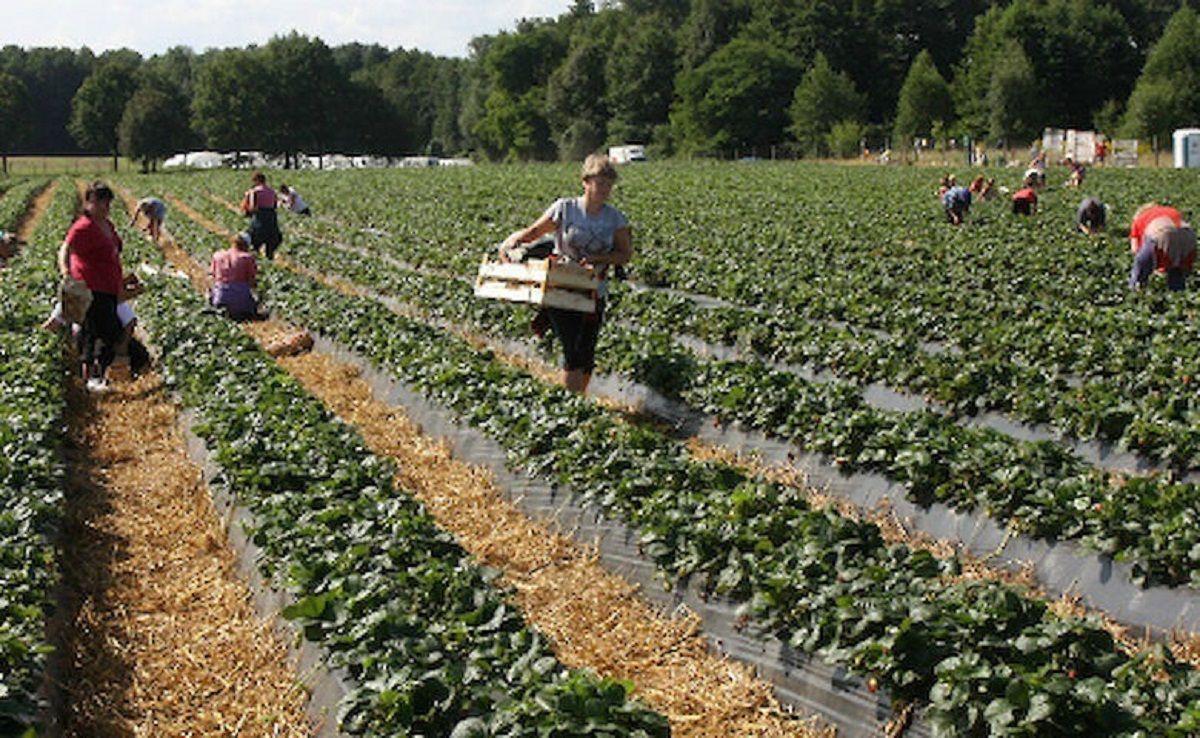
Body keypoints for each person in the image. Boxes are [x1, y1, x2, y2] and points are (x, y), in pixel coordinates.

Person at [499, 153, 632, 394]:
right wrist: (512, 243)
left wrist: (598, 259)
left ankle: (579, 399)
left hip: (593, 289)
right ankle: (571, 402)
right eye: (600, 183)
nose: (605, 189)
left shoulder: (615, 219)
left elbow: (624, 254)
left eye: (609, 185)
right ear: (585, 182)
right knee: (572, 349)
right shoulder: (566, 208)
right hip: (560, 285)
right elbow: (535, 232)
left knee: (587, 350)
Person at [59, 181, 125, 391]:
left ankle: (97, 376)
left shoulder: (107, 225)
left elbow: (115, 249)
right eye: (101, 201)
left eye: (107, 201)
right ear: (89, 202)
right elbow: (65, 249)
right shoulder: (83, 227)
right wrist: (66, 273)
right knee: (96, 332)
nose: (106, 206)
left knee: (108, 331)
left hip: (108, 286)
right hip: (90, 287)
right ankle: (92, 377)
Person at [1128, 203, 1196, 292]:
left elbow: (1135, 249)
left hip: (1161, 231)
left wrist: (1148, 266)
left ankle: (1135, 290)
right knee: (1177, 267)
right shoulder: (1170, 210)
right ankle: (1177, 292)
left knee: (1140, 263)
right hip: (1188, 235)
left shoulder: (1139, 219)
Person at [209, 232, 260, 320]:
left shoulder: (218, 255)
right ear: (246, 245)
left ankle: (218, 306)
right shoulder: (248, 258)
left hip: (220, 299)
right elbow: (252, 281)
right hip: (242, 302)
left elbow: (212, 277)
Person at [239, 171, 282, 260]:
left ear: (256, 180)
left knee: (255, 241)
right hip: (271, 218)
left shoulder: (254, 191)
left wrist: (247, 212)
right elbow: (275, 206)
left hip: (260, 218)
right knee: (271, 241)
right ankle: (269, 258)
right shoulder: (272, 191)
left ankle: (255, 261)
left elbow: (252, 207)